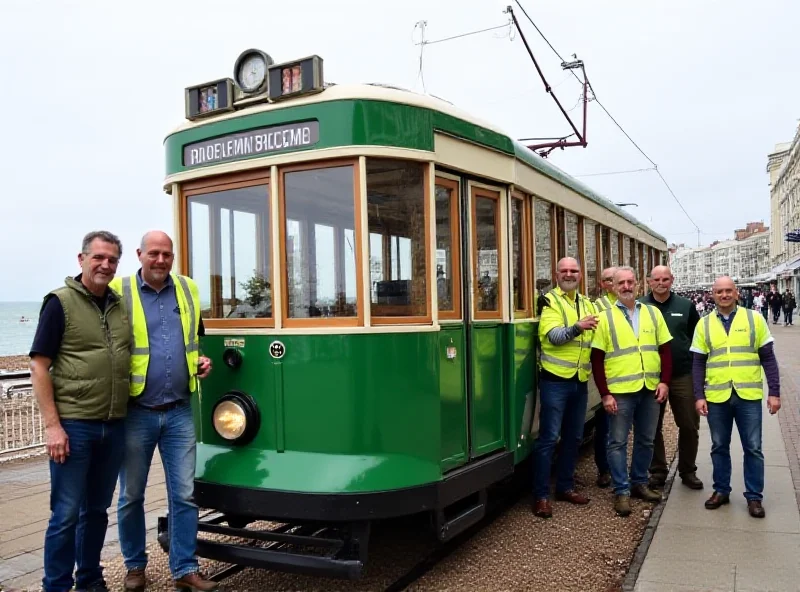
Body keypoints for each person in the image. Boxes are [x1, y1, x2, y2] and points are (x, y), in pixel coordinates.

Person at [110, 231, 216, 592]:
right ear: (139, 254)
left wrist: (200, 362)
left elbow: (195, 339)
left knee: (185, 494)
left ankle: (185, 568)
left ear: (173, 257)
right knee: (131, 496)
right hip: (136, 411)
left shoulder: (187, 289)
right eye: (153, 253)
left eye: (166, 254)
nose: (160, 260)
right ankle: (135, 566)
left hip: (179, 411)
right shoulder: (119, 291)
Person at [30, 231, 131, 592]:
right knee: (66, 514)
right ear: (82, 259)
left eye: (112, 260)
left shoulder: (119, 306)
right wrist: (52, 427)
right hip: (74, 427)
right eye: (98, 258)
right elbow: (39, 366)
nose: (105, 265)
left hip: (114, 426)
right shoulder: (59, 303)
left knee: (96, 512)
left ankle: (89, 580)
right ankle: (55, 586)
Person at [692, 276, 780, 518]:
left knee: (753, 448)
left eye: (728, 290)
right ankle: (721, 490)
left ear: (737, 293)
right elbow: (698, 363)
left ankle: (754, 497)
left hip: (748, 396)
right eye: (719, 291)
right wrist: (698, 395)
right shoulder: (704, 324)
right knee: (719, 446)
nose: (724, 295)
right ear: (712, 295)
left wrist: (774, 392)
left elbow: (769, 359)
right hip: (717, 395)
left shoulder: (754, 319)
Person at [590, 266, 673, 517]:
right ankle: (621, 491)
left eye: (630, 282)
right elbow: (596, 359)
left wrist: (665, 382)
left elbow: (665, 350)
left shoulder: (653, 313)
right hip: (620, 392)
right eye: (621, 283)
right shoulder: (604, 318)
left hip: (650, 389)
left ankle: (639, 483)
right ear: (613, 287)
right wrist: (605, 394)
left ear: (638, 285)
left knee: (646, 440)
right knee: (617, 443)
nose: (626, 287)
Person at [532, 257, 597, 518]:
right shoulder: (551, 301)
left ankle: (566, 487)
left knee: (574, 437)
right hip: (555, 382)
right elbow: (555, 337)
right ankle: (541, 496)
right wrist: (577, 327)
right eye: (564, 271)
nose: (569, 274)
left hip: (579, 381)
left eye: (574, 271)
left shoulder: (586, 303)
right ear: (556, 274)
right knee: (548, 439)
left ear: (581, 275)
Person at [642, 266, 703, 490]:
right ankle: (657, 470)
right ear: (649, 282)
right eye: (656, 279)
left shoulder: (685, 306)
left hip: (682, 375)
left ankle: (687, 470)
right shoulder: (640, 306)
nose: (661, 283)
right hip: (650, 376)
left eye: (665, 279)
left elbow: (697, 339)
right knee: (651, 427)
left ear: (672, 280)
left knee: (688, 424)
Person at [591, 266, 618, 488]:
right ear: (602, 284)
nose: (613, 284)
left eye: (615, 279)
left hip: (629, 376)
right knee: (606, 427)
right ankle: (605, 469)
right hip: (608, 375)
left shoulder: (634, 306)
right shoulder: (597, 307)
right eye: (608, 280)